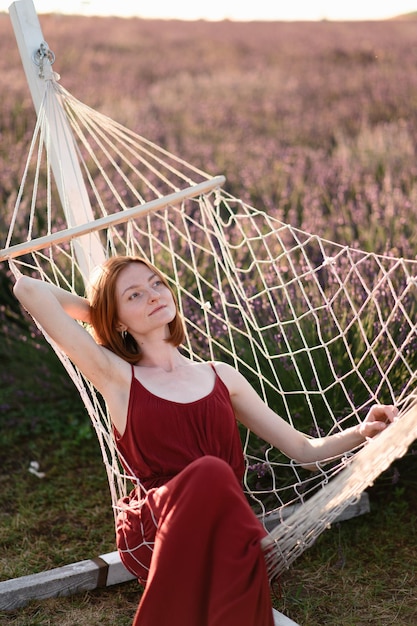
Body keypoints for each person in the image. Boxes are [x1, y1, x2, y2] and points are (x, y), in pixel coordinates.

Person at [13, 255, 398, 626]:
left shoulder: (222, 376)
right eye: (134, 295)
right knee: (212, 472)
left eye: (157, 284)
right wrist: (103, 316)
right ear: (116, 320)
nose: (153, 295)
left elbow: (303, 451)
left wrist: (363, 432)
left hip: (225, 534)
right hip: (159, 532)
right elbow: (29, 289)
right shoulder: (117, 377)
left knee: (219, 489)